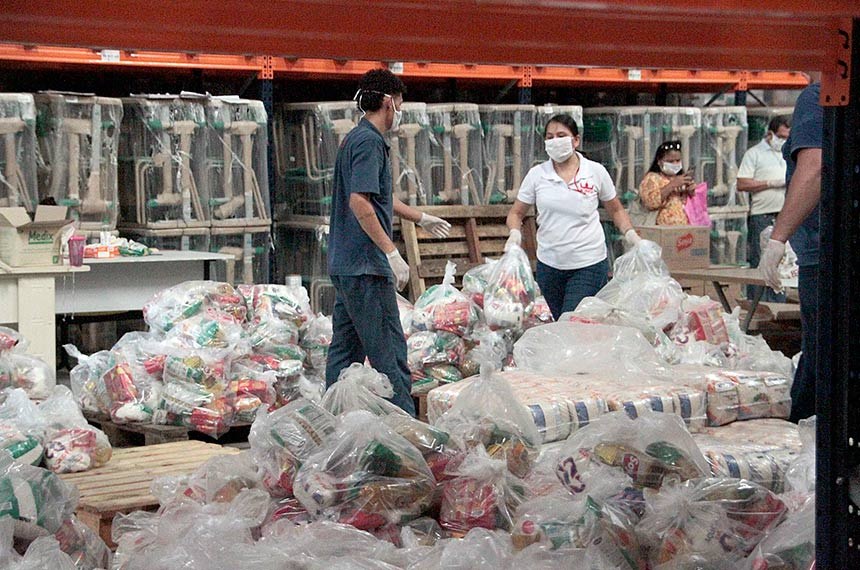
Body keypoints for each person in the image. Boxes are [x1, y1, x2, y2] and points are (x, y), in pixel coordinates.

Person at [325, 69, 452, 416]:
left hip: (345, 264)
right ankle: (407, 439)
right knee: (390, 356)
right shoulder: (370, 142)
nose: (400, 111)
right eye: (399, 104)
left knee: (344, 354)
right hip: (366, 266)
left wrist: (419, 218)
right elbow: (360, 202)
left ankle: (333, 426)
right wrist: (392, 253)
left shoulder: (355, 138)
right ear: (387, 102)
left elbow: (378, 197)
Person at [506, 114, 640, 320]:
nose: (555, 141)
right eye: (549, 137)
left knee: (571, 321)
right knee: (563, 322)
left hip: (588, 263)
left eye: (561, 135)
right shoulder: (537, 175)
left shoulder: (595, 172)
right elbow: (516, 212)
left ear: (575, 140)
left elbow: (615, 209)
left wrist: (631, 235)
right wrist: (515, 233)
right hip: (549, 265)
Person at [759, 83, 822, 423]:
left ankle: (807, 444)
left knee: (821, 355)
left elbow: (814, 168)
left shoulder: (819, 95)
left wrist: (778, 239)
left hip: (826, 254)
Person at [737, 116, 791, 302]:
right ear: (770, 134)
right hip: (762, 216)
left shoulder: (789, 153)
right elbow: (742, 183)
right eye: (781, 137)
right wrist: (769, 183)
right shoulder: (754, 154)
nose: (783, 141)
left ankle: (778, 304)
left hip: (784, 215)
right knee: (760, 260)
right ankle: (757, 304)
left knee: (783, 263)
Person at [639, 141, 697, 225]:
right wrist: (672, 185)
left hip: (684, 232)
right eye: (670, 161)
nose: (675, 164)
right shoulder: (652, 178)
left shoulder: (682, 178)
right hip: (660, 232)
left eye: (678, 160)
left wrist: (690, 192)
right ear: (659, 161)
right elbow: (650, 203)